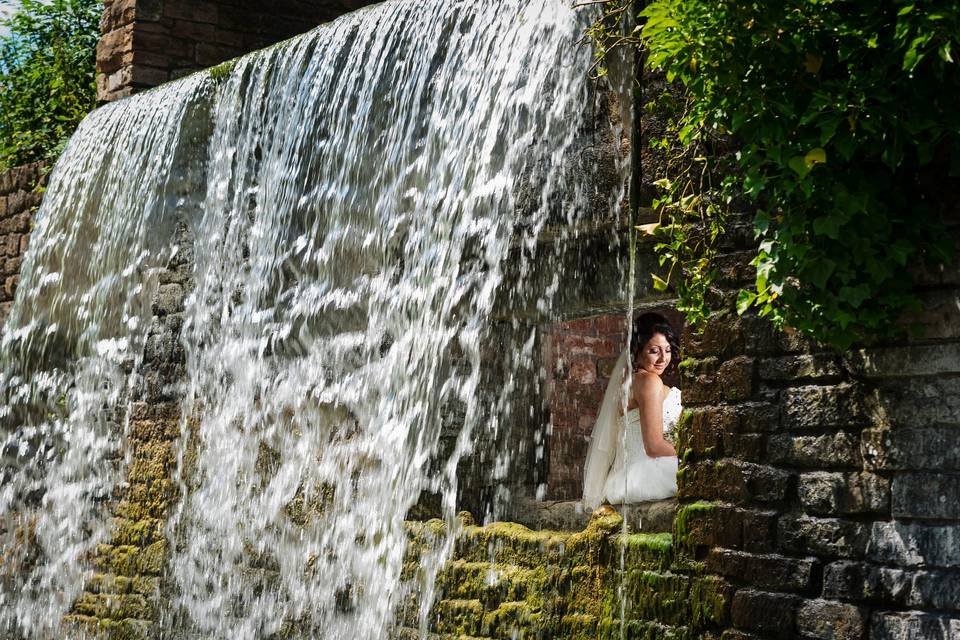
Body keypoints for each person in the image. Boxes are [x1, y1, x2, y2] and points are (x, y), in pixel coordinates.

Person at [581, 312, 681, 508]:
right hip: (650, 472)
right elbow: (653, 446)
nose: (663, 358)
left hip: (624, 476)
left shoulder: (629, 381)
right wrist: (688, 454)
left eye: (667, 350)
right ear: (637, 350)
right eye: (654, 351)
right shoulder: (649, 381)